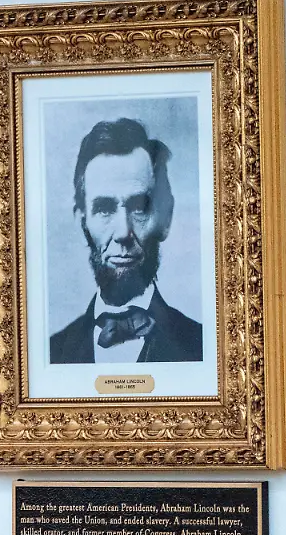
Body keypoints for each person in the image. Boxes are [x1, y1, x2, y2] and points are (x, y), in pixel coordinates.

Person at [49, 118, 202, 364]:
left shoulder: (203, 349)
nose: (123, 232)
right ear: (82, 221)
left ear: (165, 219)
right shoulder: (52, 354)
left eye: (139, 207)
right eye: (104, 208)